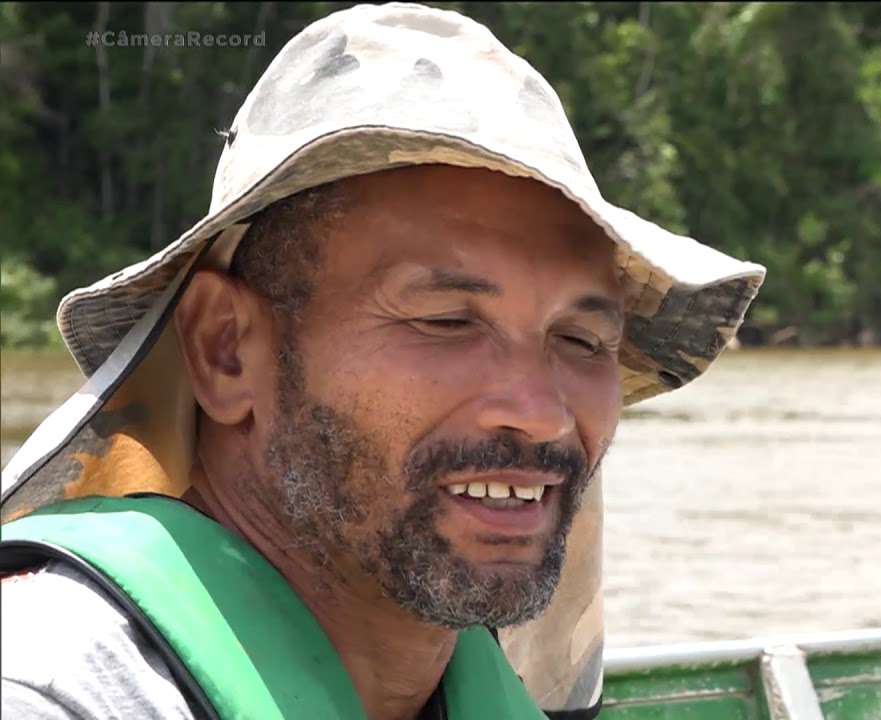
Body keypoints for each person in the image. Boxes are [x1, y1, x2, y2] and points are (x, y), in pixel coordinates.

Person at [0, 3, 765, 720]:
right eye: (445, 321)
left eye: (580, 341)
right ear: (226, 351)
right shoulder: (50, 688)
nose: (542, 413)